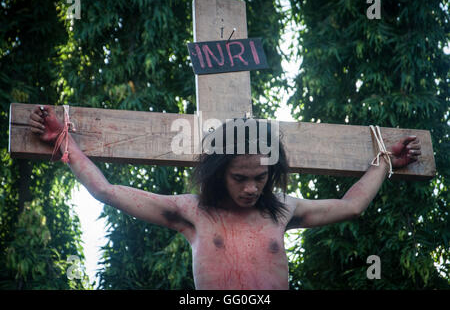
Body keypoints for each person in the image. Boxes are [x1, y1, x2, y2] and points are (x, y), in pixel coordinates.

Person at [28, 105, 421, 290]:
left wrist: (386, 161)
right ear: (220, 174)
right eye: (240, 178)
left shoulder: (282, 209)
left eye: (260, 177)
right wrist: (63, 141)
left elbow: (352, 206)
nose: (251, 188)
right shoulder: (191, 212)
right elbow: (106, 191)